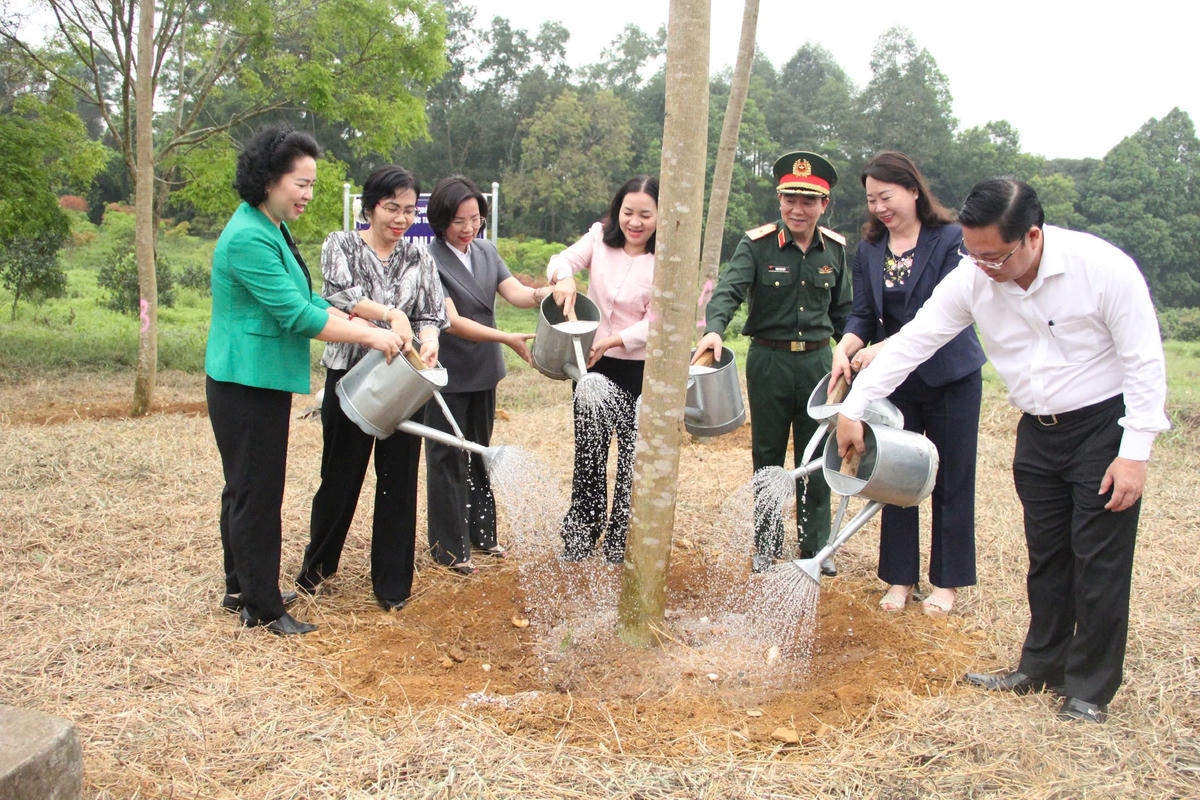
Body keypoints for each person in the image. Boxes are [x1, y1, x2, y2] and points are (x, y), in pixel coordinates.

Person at [836, 178, 1168, 723]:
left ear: (1032, 237)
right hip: (1037, 429)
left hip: (1103, 427)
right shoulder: (974, 276)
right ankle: (1039, 666)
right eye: (973, 253)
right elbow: (917, 340)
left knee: (1098, 558)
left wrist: (1135, 452)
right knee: (1047, 554)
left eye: (995, 256)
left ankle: (1088, 688)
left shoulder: (1102, 269)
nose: (982, 266)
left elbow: (1144, 361)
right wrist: (856, 406)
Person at [206, 124, 404, 635]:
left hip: (259, 379)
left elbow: (308, 298)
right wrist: (371, 338)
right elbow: (296, 316)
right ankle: (263, 607)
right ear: (269, 179)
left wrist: (363, 323)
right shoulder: (250, 236)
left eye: (314, 185)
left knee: (246, 487)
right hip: (245, 382)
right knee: (257, 491)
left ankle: (240, 585)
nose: (308, 195)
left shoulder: (268, 226)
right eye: (301, 183)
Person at [830, 152, 986, 615]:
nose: (879, 207)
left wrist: (884, 347)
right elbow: (862, 313)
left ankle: (946, 584)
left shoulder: (950, 240)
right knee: (895, 477)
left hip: (950, 377)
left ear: (914, 190)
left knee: (952, 477)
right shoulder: (870, 249)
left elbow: (944, 315)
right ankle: (899, 579)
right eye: (871, 200)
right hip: (895, 382)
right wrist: (847, 345)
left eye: (887, 196)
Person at [295, 165, 448, 612]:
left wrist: (431, 340)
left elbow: (430, 314)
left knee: (398, 481)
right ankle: (318, 570)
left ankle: (392, 584)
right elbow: (338, 297)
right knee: (340, 477)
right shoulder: (340, 244)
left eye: (407, 210)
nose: (399, 218)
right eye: (390, 208)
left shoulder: (420, 258)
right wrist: (391, 315)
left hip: (405, 381)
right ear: (369, 208)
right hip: (350, 378)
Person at [693, 151, 852, 575]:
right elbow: (728, 289)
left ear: (824, 204)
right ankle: (766, 543)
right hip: (768, 361)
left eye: (808, 201)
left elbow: (846, 313)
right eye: (789, 200)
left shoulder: (834, 250)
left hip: (819, 364)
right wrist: (714, 328)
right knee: (767, 455)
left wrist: (853, 352)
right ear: (779, 200)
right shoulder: (758, 244)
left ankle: (815, 547)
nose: (797, 210)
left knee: (815, 456)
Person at [423, 175, 555, 574]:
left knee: (480, 450)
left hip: (483, 370)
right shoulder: (427, 259)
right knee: (447, 455)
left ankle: (482, 534)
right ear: (441, 220)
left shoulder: (486, 251)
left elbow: (513, 291)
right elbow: (453, 321)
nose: (469, 228)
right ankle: (449, 547)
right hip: (445, 368)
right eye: (459, 221)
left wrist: (539, 294)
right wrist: (507, 337)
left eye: (475, 218)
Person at [549, 175, 659, 563]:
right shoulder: (598, 237)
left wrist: (614, 340)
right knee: (589, 453)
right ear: (618, 211)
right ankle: (582, 530)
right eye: (628, 212)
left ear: (660, 217)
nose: (635, 222)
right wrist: (564, 277)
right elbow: (562, 259)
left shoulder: (665, 261)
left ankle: (620, 539)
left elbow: (658, 322)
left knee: (633, 457)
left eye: (646, 214)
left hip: (638, 368)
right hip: (592, 368)